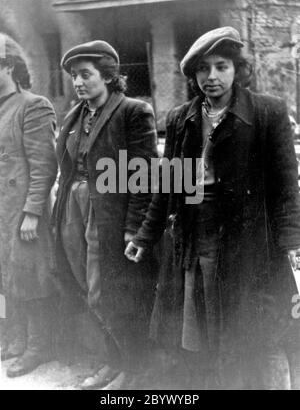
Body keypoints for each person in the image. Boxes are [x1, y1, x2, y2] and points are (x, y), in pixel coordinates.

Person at [125, 27, 300, 389]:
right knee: (202, 330)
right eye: (203, 70)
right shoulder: (180, 119)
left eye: (222, 66)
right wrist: (145, 235)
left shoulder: (267, 113)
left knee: (251, 332)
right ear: (193, 76)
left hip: (250, 242)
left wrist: (293, 242)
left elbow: (286, 188)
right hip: (196, 238)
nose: (212, 77)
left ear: (238, 68)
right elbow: (170, 187)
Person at [54, 40, 158, 390]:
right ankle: (112, 361)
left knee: (108, 292)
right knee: (84, 284)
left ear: (109, 76)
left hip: (109, 212)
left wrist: (134, 228)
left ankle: (133, 367)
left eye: (86, 75)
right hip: (74, 207)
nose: (78, 82)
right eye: (73, 76)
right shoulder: (76, 115)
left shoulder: (133, 111)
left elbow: (144, 174)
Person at [0, 33, 58, 377]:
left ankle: (38, 346)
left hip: (22, 211)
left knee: (31, 278)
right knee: (3, 279)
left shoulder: (32, 105)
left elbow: (44, 165)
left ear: (8, 66)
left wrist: (33, 212)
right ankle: (13, 338)